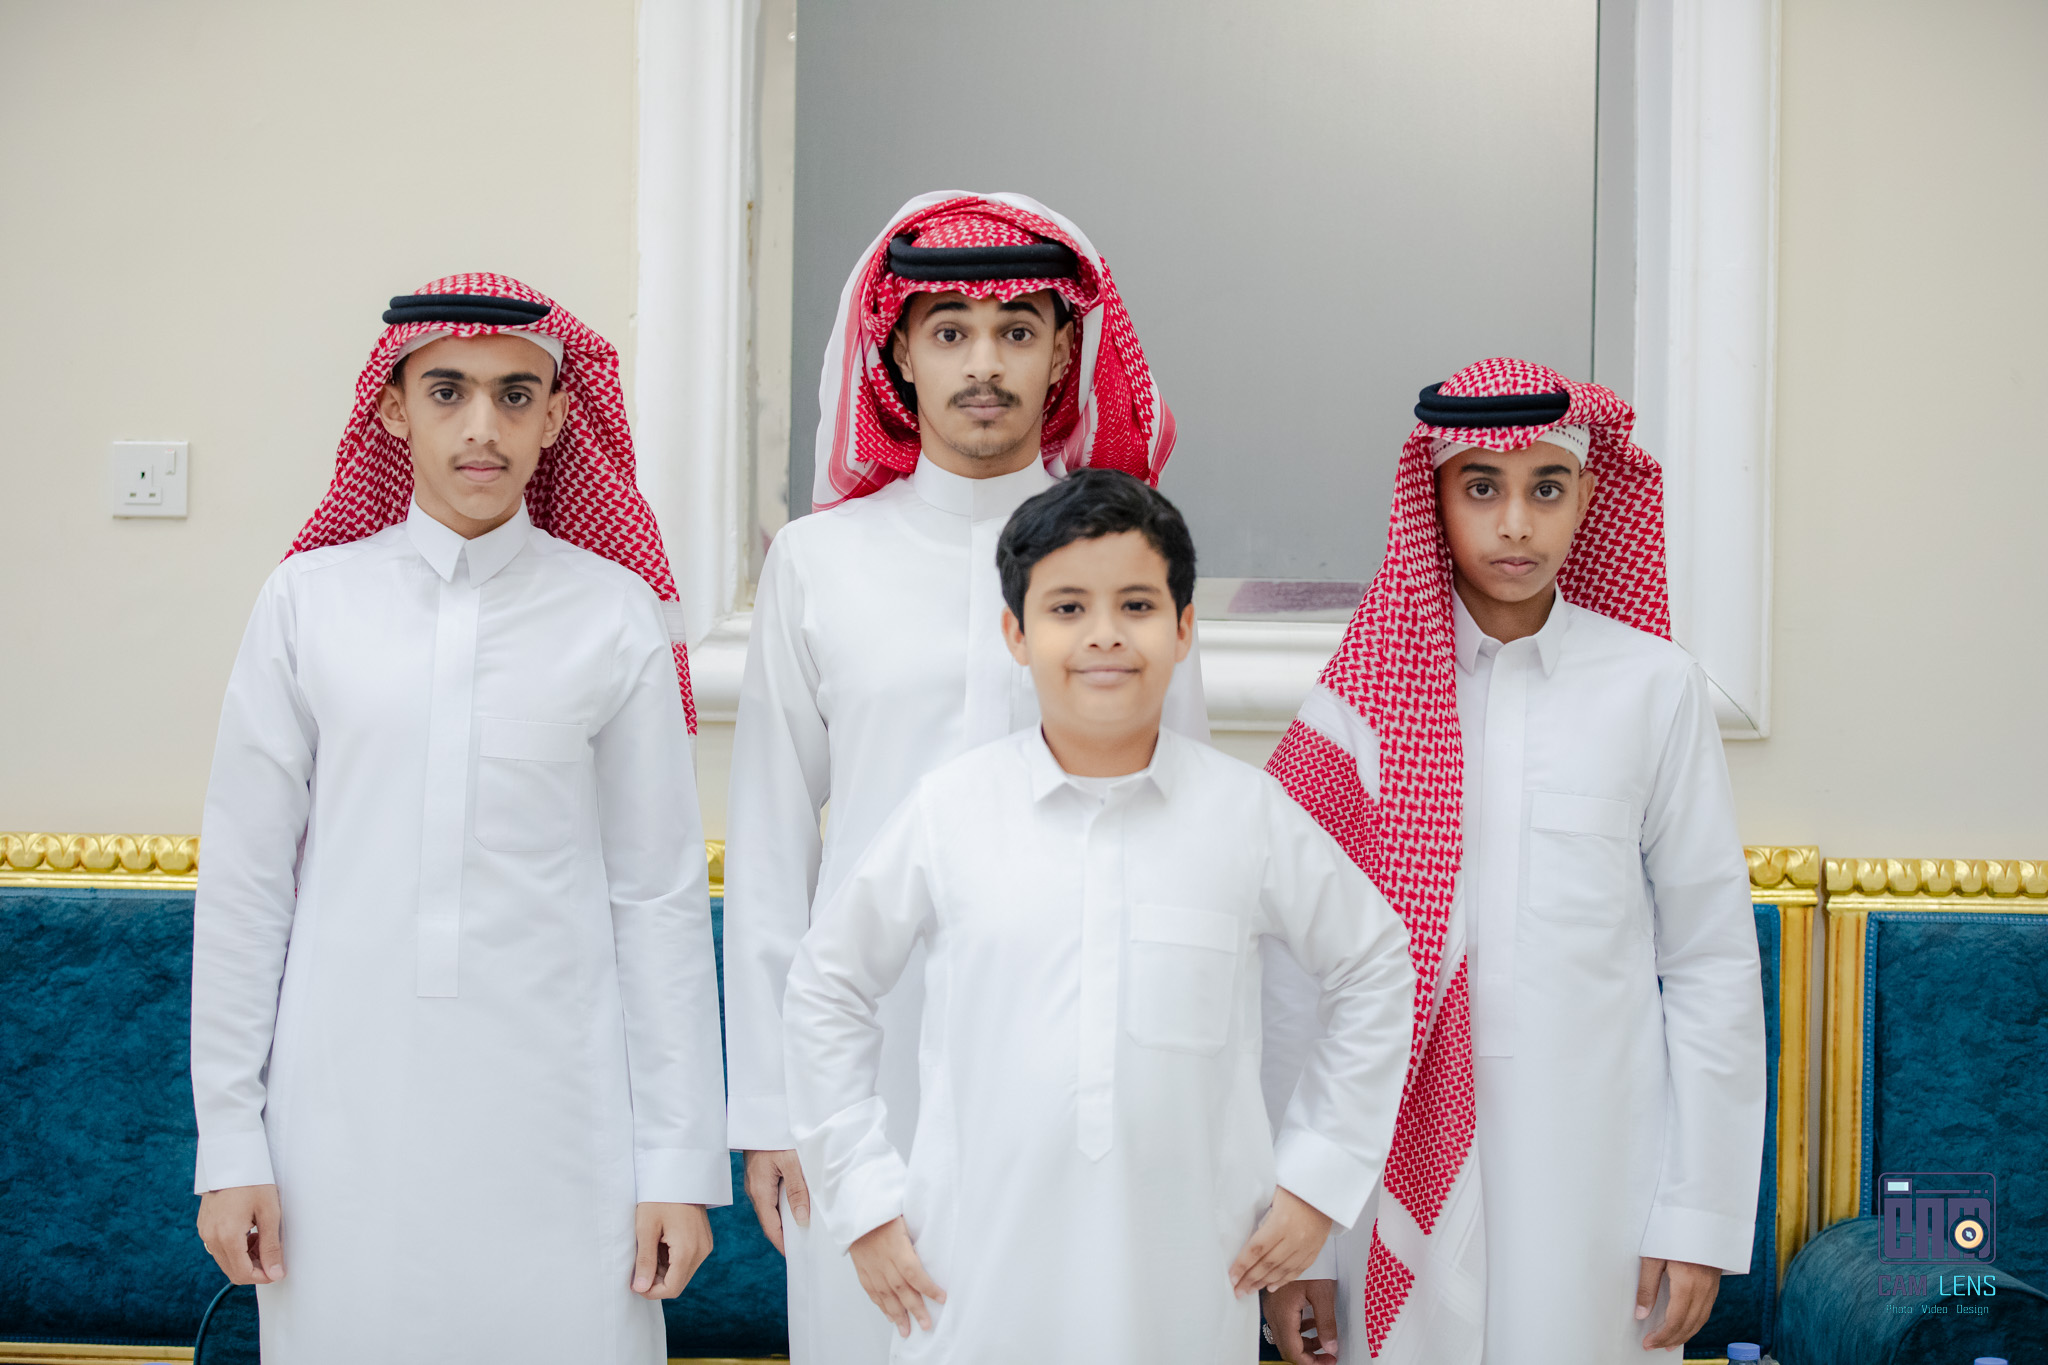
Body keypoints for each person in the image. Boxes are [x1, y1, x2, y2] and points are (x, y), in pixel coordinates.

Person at [189, 275, 731, 1364]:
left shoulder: (612, 612)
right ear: (393, 409)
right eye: (448, 391)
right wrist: (230, 1143)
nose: (483, 426)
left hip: (563, 1120)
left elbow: (658, 899)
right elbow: (246, 886)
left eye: (515, 395)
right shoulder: (308, 601)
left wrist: (678, 1164)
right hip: (342, 1120)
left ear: (558, 415)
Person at [723, 192, 1207, 1363]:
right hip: (866, 1061)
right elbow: (773, 844)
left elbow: (1185, 832)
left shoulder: (1129, 564)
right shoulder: (818, 561)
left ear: (1062, 354)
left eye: (1014, 331)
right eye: (949, 331)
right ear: (896, 352)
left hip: (1087, 1051)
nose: (983, 364)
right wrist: (774, 1106)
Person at [780, 470, 1416, 1363]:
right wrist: (863, 1200)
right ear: (1016, 633)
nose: (1105, 634)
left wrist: (1318, 1179)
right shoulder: (950, 811)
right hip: (972, 1293)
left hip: (1184, 1295)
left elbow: (1375, 963)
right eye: (1068, 607)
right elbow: (826, 987)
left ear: (1184, 628)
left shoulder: (1245, 815)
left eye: (1138, 605)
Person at [1259, 357, 1766, 1365]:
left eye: (1547, 488)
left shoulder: (1653, 688)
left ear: (1589, 496)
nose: (1516, 524)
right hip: (1381, 1162)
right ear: (1434, 497)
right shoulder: (1363, 697)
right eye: (1482, 488)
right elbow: (1293, 971)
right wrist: (1296, 1217)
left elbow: (1709, 959)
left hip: (1597, 1174)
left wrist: (1697, 1216)